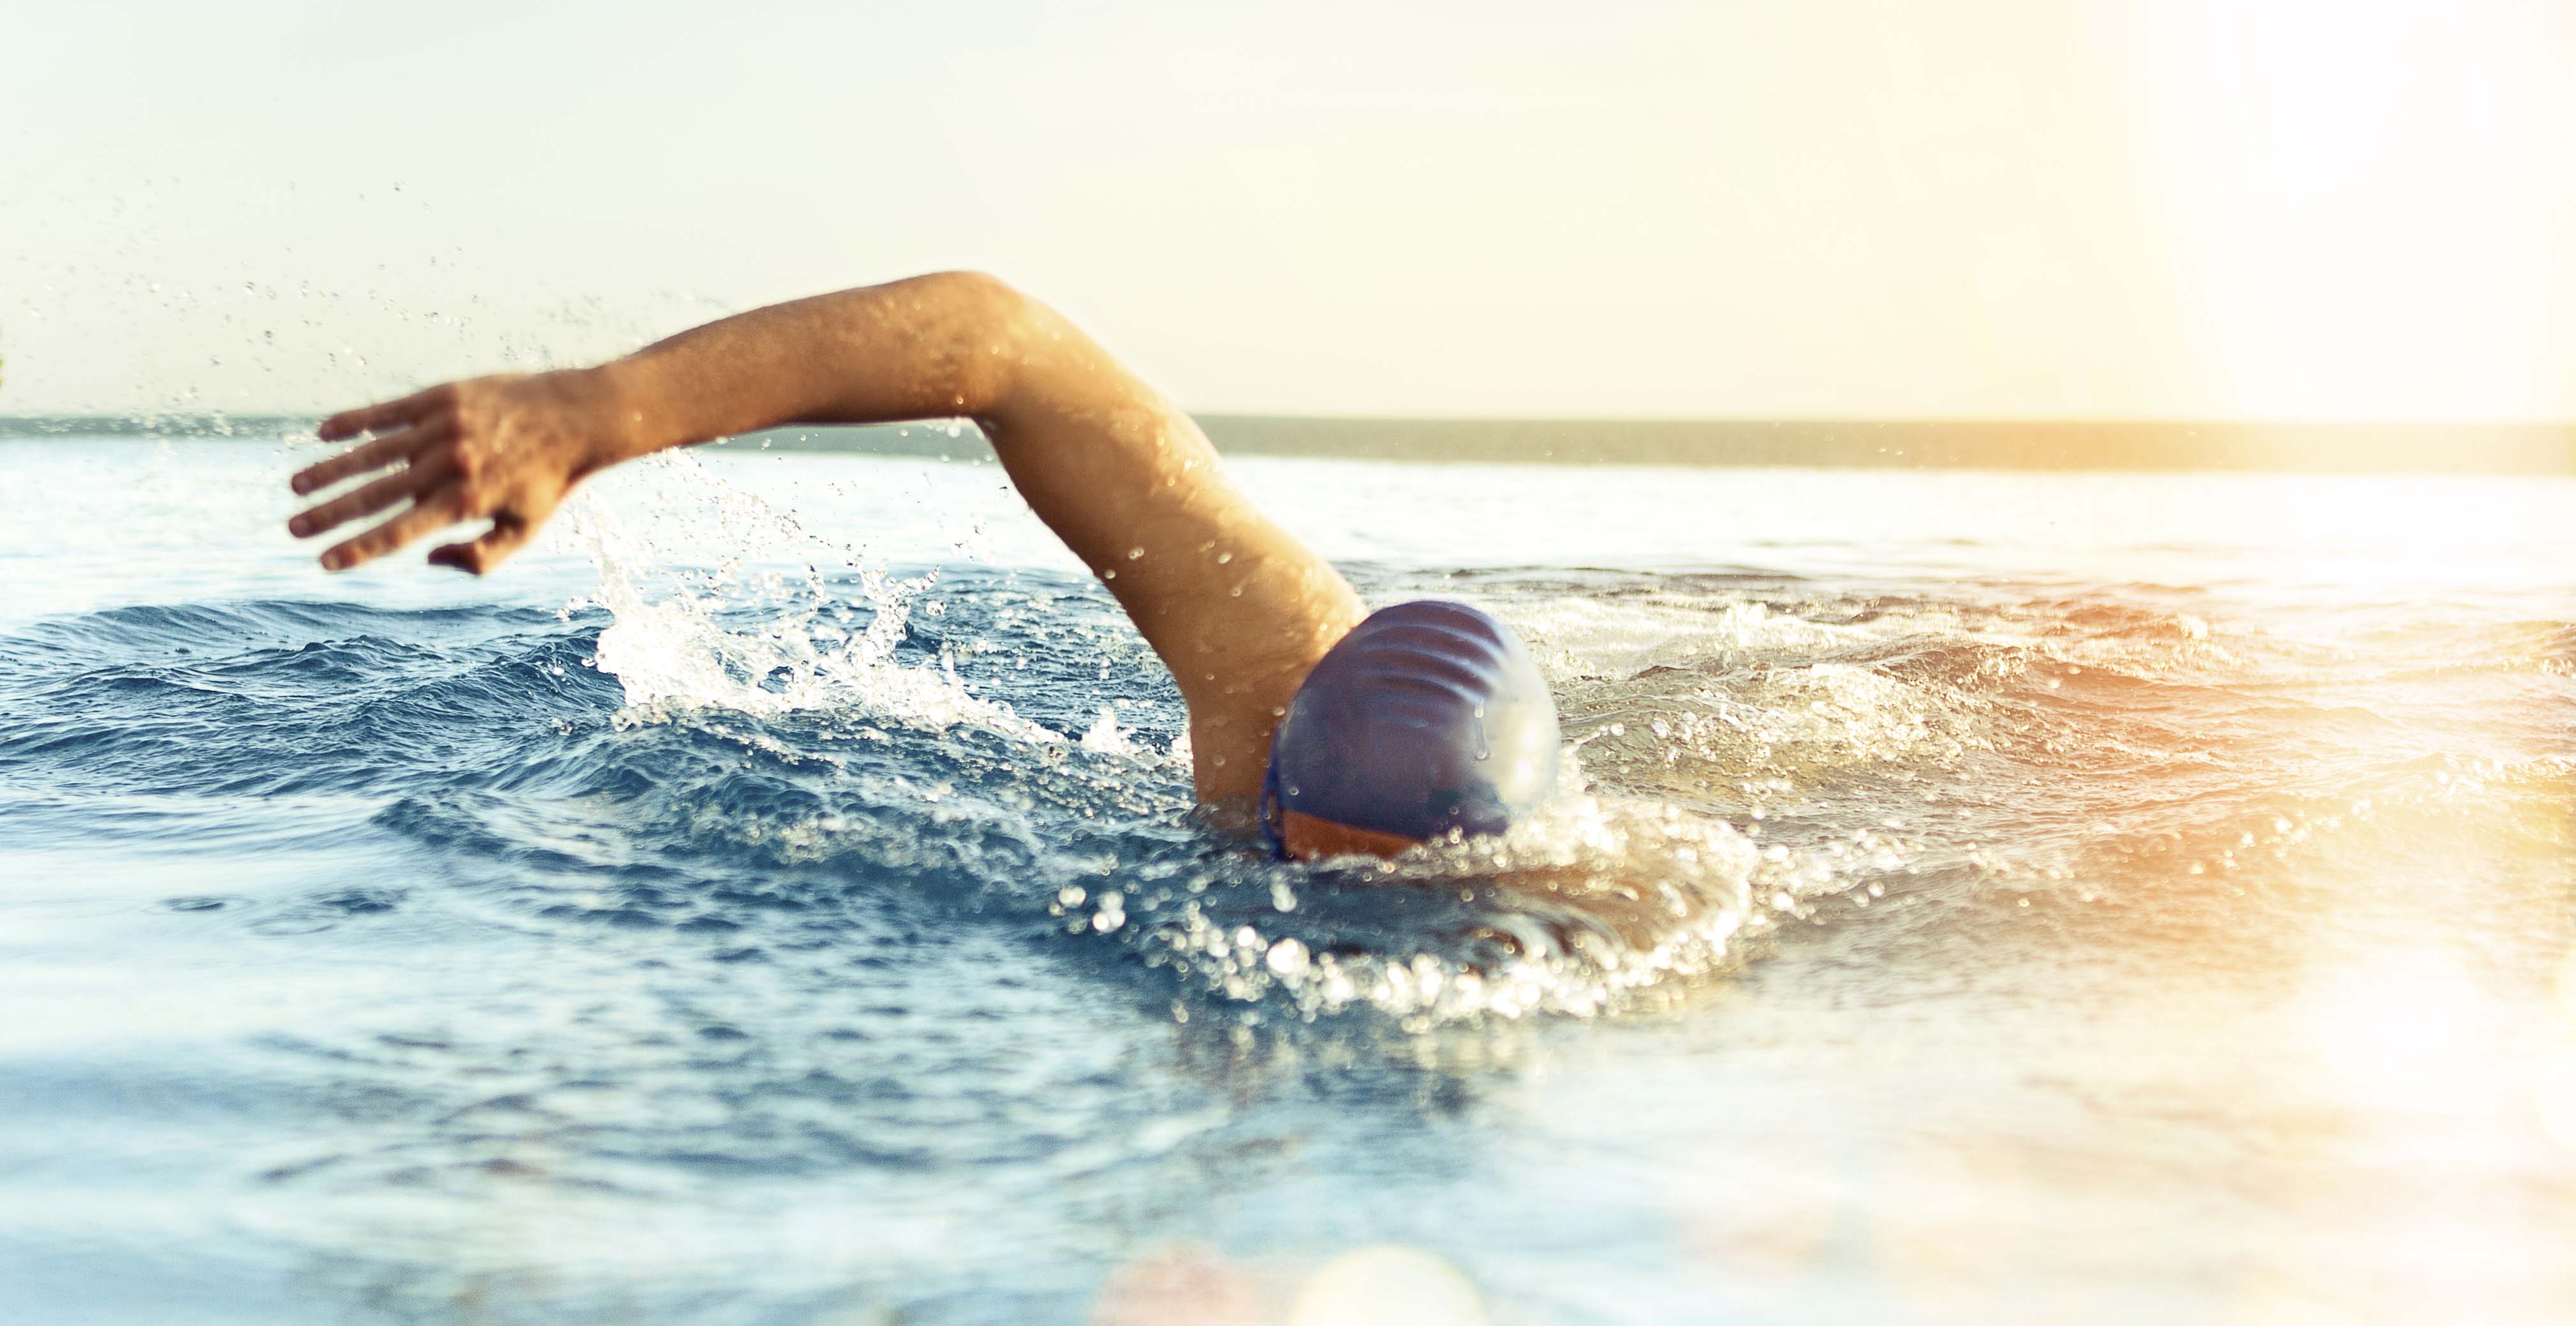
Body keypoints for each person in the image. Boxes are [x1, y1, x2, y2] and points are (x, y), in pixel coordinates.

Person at [288, 272, 1559, 860]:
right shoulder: (1281, 659)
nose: (1325, 901)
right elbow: (995, 344)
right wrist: (599, 410)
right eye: (1300, 847)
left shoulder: (1616, 930)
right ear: (1273, 779)